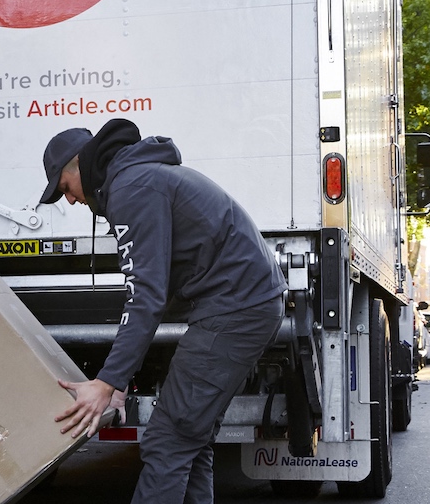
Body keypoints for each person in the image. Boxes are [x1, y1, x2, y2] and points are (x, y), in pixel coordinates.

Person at [44, 119, 285, 504]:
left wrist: (106, 383)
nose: (70, 200)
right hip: (242, 305)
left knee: (168, 440)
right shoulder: (137, 180)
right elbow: (155, 289)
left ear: (78, 165)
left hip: (235, 309)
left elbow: (146, 297)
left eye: (64, 188)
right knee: (190, 438)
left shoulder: (132, 188)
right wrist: (119, 382)